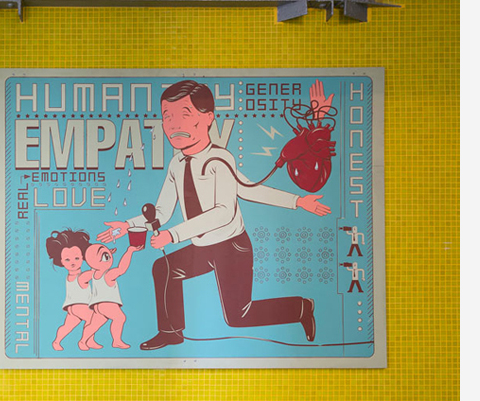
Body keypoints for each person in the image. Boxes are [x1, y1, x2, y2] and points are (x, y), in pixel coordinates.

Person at [96, 79, 330, 350]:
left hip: (231, 247)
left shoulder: (220, 160)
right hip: (201, 247)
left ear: (208, 118)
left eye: (184, 114)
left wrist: (297, 201)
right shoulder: (176, 164)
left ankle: (302, 308)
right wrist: (128, 225)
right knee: (164, 268)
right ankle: (171, 332)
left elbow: (224, 212)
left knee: (238, 317)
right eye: (167, 116)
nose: (173, 124)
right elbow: (161, 211)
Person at [45, 229, 104, 351]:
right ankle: (84, 341)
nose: (72, 262)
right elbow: (92, 273)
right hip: (79, 306)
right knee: (94, 319)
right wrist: (101, 263)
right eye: (67, 260)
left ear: (82, 258)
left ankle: (57, 341)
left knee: (67, 326)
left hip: (72, 308)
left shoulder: (71, 276)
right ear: (61, 261)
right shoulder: (80, 277)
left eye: (76, 258)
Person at [78, 241, 136, 349]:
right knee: (120, 318)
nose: (110, 257)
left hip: (97, 305)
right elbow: (121, 269)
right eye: (106, 256)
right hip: (108, 304)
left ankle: (83, 341)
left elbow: (82, 278)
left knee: (94, 324)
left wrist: (106, 253)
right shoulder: (108, 275)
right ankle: (116, 341)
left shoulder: (94, 274)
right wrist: (129, 252)